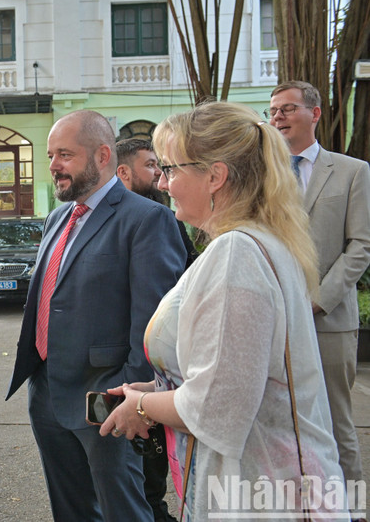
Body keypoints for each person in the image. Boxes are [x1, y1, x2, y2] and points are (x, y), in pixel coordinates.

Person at [99, 101, 347, 520]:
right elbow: (232, 379)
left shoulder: (238, 254)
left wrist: (141, 407)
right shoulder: (254, 244)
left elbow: (217, 410)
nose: (162, 183)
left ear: (215, 175)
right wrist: (161, 391)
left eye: (171, 169)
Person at [6, 109, 186, 521]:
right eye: (51, 155)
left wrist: (130, 398)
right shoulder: (58, 218)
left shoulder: (147, 219)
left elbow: (153, 325)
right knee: (70, 511)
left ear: (103, 155)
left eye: (65, 155)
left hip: (107, 399)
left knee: (122, 510)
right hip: (46, 393)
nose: (53, 166)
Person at [269, 81, 370, 517]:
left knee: (335, 422)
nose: (278, 117)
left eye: (288, 108)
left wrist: (316, 300)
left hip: (327, 321)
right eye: (273, 110)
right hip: (273, 318)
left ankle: (353, 508)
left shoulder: (352, 171)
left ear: (316, 113)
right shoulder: (264, 174)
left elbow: (361, 246)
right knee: (279, 422)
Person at [116, 137, 189, 522]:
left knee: (149, 491)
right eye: (151, 166)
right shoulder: (134, 220)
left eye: (166, 168)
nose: (160, 177)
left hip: (153, 384)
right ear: (123, 172)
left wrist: (145, 391)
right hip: (137, 386)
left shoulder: (162, 219)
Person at [117, 138, 198, 269]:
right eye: (150, 165)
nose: (159, 172)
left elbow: (191, 268)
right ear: (124, 172)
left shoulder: (169, 217)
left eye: (157, 165)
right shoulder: (108, 220)